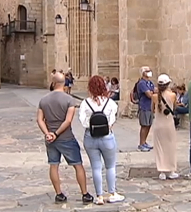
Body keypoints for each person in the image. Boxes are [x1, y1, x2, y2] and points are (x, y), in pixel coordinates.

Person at [37, 73, 94, 204]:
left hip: (50, 139)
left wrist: (48, 133)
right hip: (66, 137)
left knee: (53, 165)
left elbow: (40, 119)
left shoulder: (43, 100)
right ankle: (85, 193)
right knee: (78, 165)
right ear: (64, 83)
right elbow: (68, 121)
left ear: (53, 82)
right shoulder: (69, 100)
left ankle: (59, 194)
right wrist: (56, 133)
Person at [79, 75, 125, 205]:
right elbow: (112, 119)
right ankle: (112, 193)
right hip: (106, 136)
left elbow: (83, 121)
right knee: (110, 166)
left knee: (96, 167)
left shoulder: (85, 103)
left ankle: (99, 196)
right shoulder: (110, 103)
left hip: (90, 136)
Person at [151, 74, 178, 180]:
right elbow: (174, 107)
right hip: (168, 123)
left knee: (159, 147)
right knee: (170, 147)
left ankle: (161, 170)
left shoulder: (154, 97)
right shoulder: (172, 95)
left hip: (158, 123)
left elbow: (152, 109)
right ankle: (171, 170)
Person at [137, 66, 155, 152]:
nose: (149, 72)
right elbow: (149, 94)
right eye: (147, 71)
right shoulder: (141, 83)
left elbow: (155, 91)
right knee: (144, 125)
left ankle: (145, 142)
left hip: (150, 107)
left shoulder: (150, 83)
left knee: (149, 125)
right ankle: (141, 143)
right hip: (144, 107)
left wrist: (152, 92)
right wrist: (152, 92)